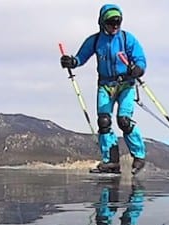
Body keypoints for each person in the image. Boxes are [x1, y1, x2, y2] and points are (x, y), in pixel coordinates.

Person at [60, 4, 148, 175]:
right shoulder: (94, 41)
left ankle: (139, 156)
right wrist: (71, 62)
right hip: (105, 86)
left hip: (126, 85)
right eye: (111, 22)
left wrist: (137, 69)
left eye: (118, 22)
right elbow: (80, 58)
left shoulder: (126, 39)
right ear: (102, 22)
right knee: (104, 122)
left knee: (124, 120)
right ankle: (111, 161)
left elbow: (140, 59)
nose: (115, 25)